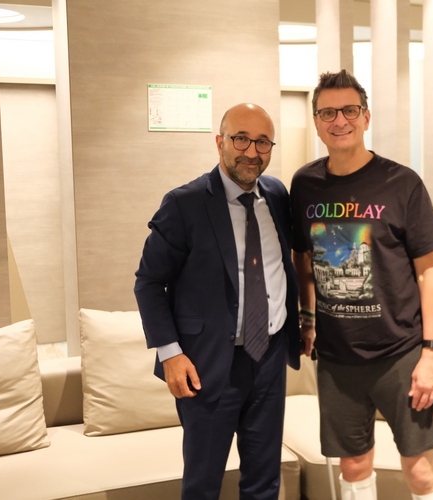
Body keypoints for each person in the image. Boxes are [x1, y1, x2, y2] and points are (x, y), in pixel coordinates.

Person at [290, 70, 433, 500]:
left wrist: (431, 354)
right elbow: (302, 256)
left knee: (420, 470)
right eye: (328, 112)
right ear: (316, 121)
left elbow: (429, 272)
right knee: (354, 465)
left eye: (349, 110)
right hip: (338, 357)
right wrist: (307, 318)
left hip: (401, 352)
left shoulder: (402, 183)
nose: (339, 120)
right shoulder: (304, 184)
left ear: (366, 117)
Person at [134, 103, 301, 499]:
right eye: (241, 139)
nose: (251, 151)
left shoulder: (277, 195)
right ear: (220, 142)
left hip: (269, 358)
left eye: (263, 142)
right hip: (207, 366)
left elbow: (285, 266)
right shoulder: (185, 204)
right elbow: (149, 282)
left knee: (264, 480)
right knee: (203, 484)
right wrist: (170, 354)